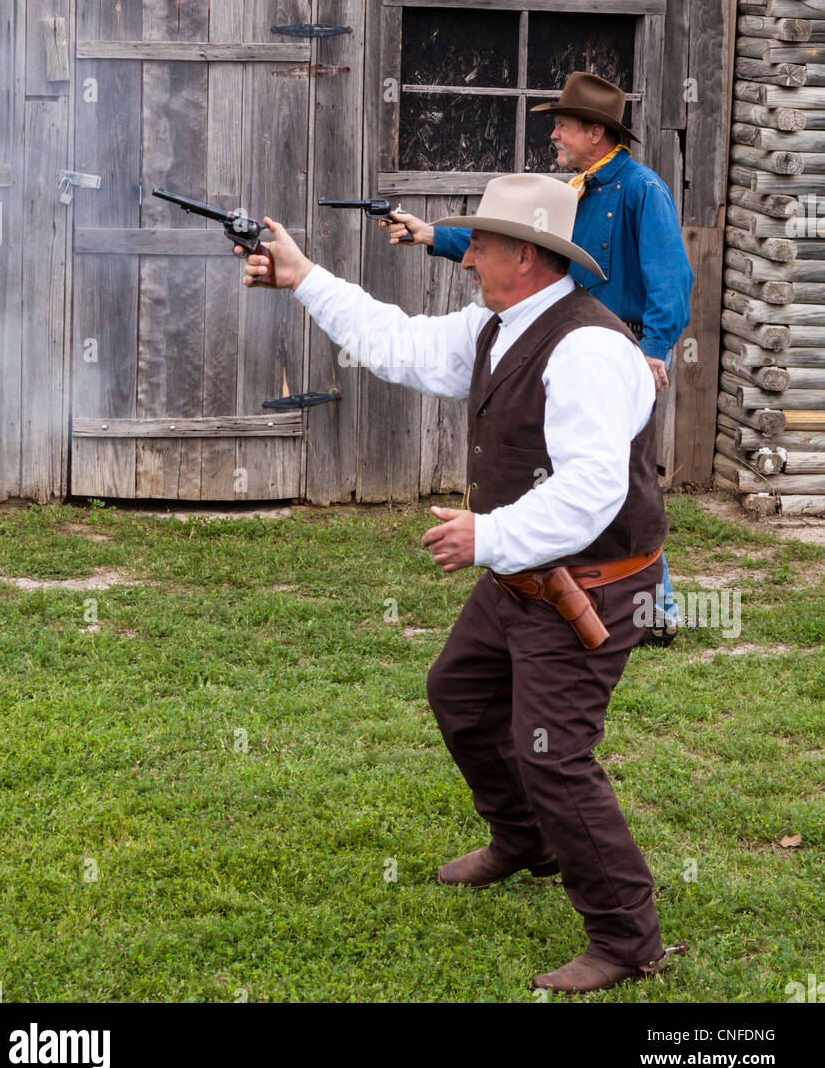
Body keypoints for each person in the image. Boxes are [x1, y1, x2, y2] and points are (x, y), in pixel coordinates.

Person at [234, 173, 678, 995]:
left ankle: (627, 940)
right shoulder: (501, 325)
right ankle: (524, 843)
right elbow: (399, 343)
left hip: (589, 586)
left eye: (479, 242)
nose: (465, 255)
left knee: (555, 756)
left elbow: (591, 492)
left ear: (528, 255)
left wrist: (489, 534)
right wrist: (304, 277)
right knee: (461, 697)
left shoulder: (586, 348)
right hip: (523, 576)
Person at [382, 72, 694, 640]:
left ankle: (657, 606)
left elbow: (671, 280)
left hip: (617, 353)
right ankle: (560, 584)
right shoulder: (573, 191)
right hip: (561, 350)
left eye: (563, 124)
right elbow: (516, 246)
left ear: (596, 132)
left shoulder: (643, 190)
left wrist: (652, 351)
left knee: (625, 475)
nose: (554, 133)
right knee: (569, 478)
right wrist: (432, 235)